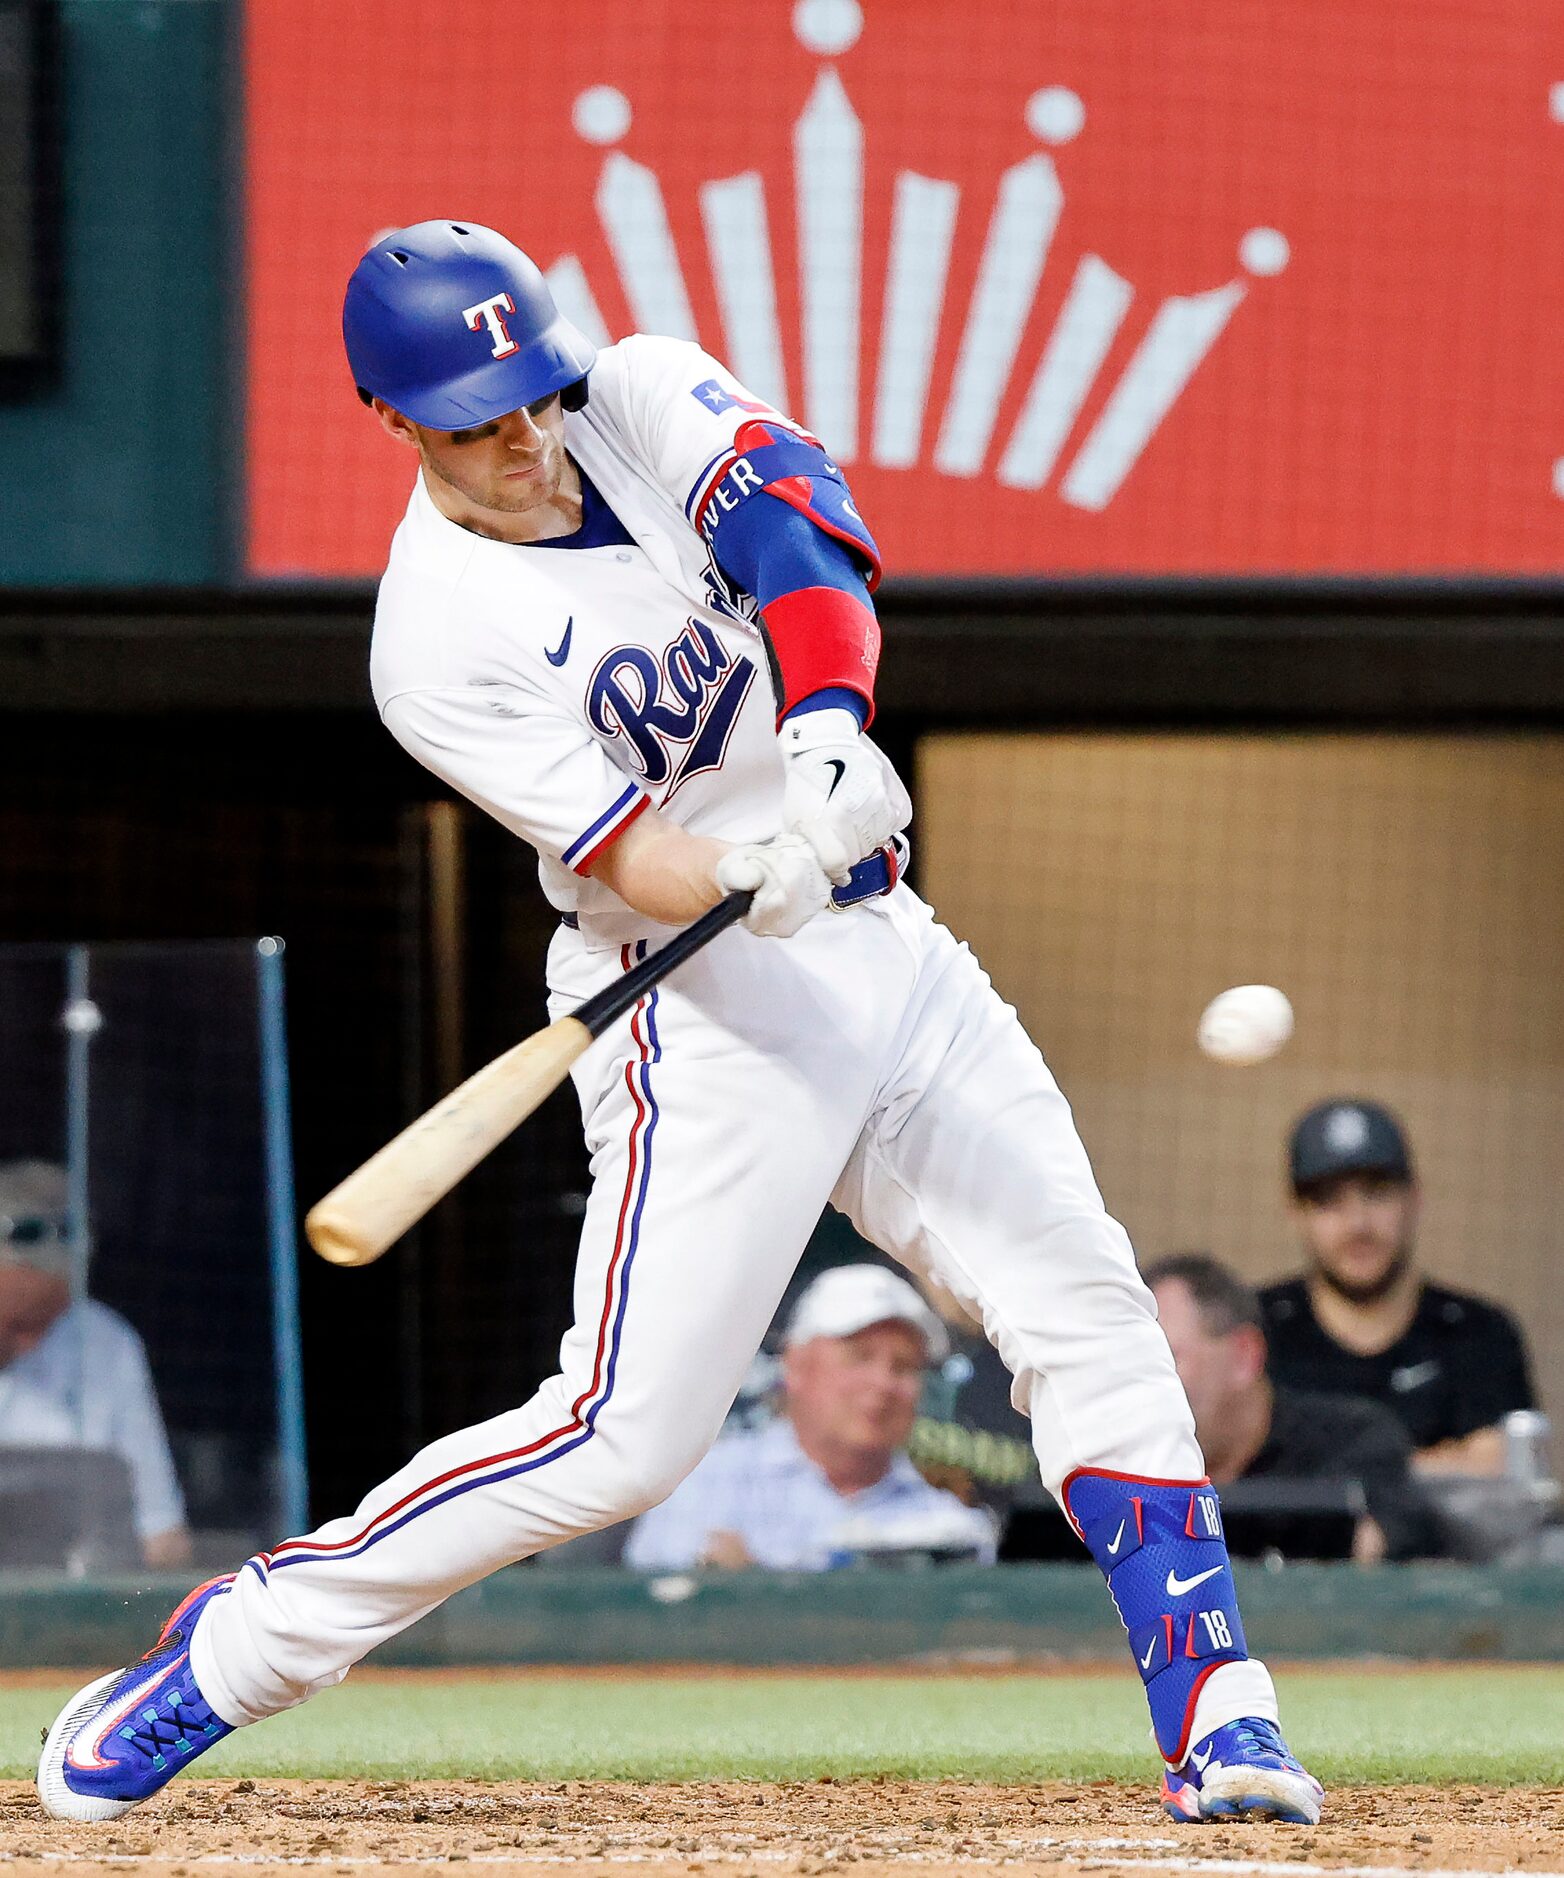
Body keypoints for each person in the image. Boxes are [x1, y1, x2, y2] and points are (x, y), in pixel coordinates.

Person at [39, 221, 1320, 1828]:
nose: (521, 438)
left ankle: (1224, 1714)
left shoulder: (633, 392)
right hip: (695, 1004)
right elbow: (634, 857)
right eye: (474, 419)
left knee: (1084, 1301)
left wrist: (833, 734)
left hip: (891, 952)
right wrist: (739, 865)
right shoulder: (430, 643)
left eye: (530, 397)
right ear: (393, 420)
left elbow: (802, 533)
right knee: (620, 1443)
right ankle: (240, 1649)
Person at [626, 1265, 996, 1570]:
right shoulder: (700, 1482)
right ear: (796, 1365)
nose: (882, 1383)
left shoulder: (951, 1531)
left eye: (903, 1367)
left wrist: (754, 1582)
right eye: (860, 1357)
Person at [1261, 1100, 1536, 1477]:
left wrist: (1321, 1471)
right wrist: (1437, 1462)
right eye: (1328, 1201)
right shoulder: (1257, 1331)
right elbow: (1224, 1469)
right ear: (1295, 1213)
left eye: (1377, 1193)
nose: (1358, 1224)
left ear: (1415, 1199)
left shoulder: (1478, 1332)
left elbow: (1501, 1473)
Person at [1145, 1254, 1440, 1563]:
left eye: (1165, 1357)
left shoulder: (1351, 1441)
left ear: (1244, 1356)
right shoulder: (1111, 1459)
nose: (1143, 1384)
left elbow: (1389, 1546)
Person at [0, 1161, 190, 1570]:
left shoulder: (106, 1344)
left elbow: (162, 1537)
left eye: (50, 1323)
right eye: (19, 1325)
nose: (34, 1345)